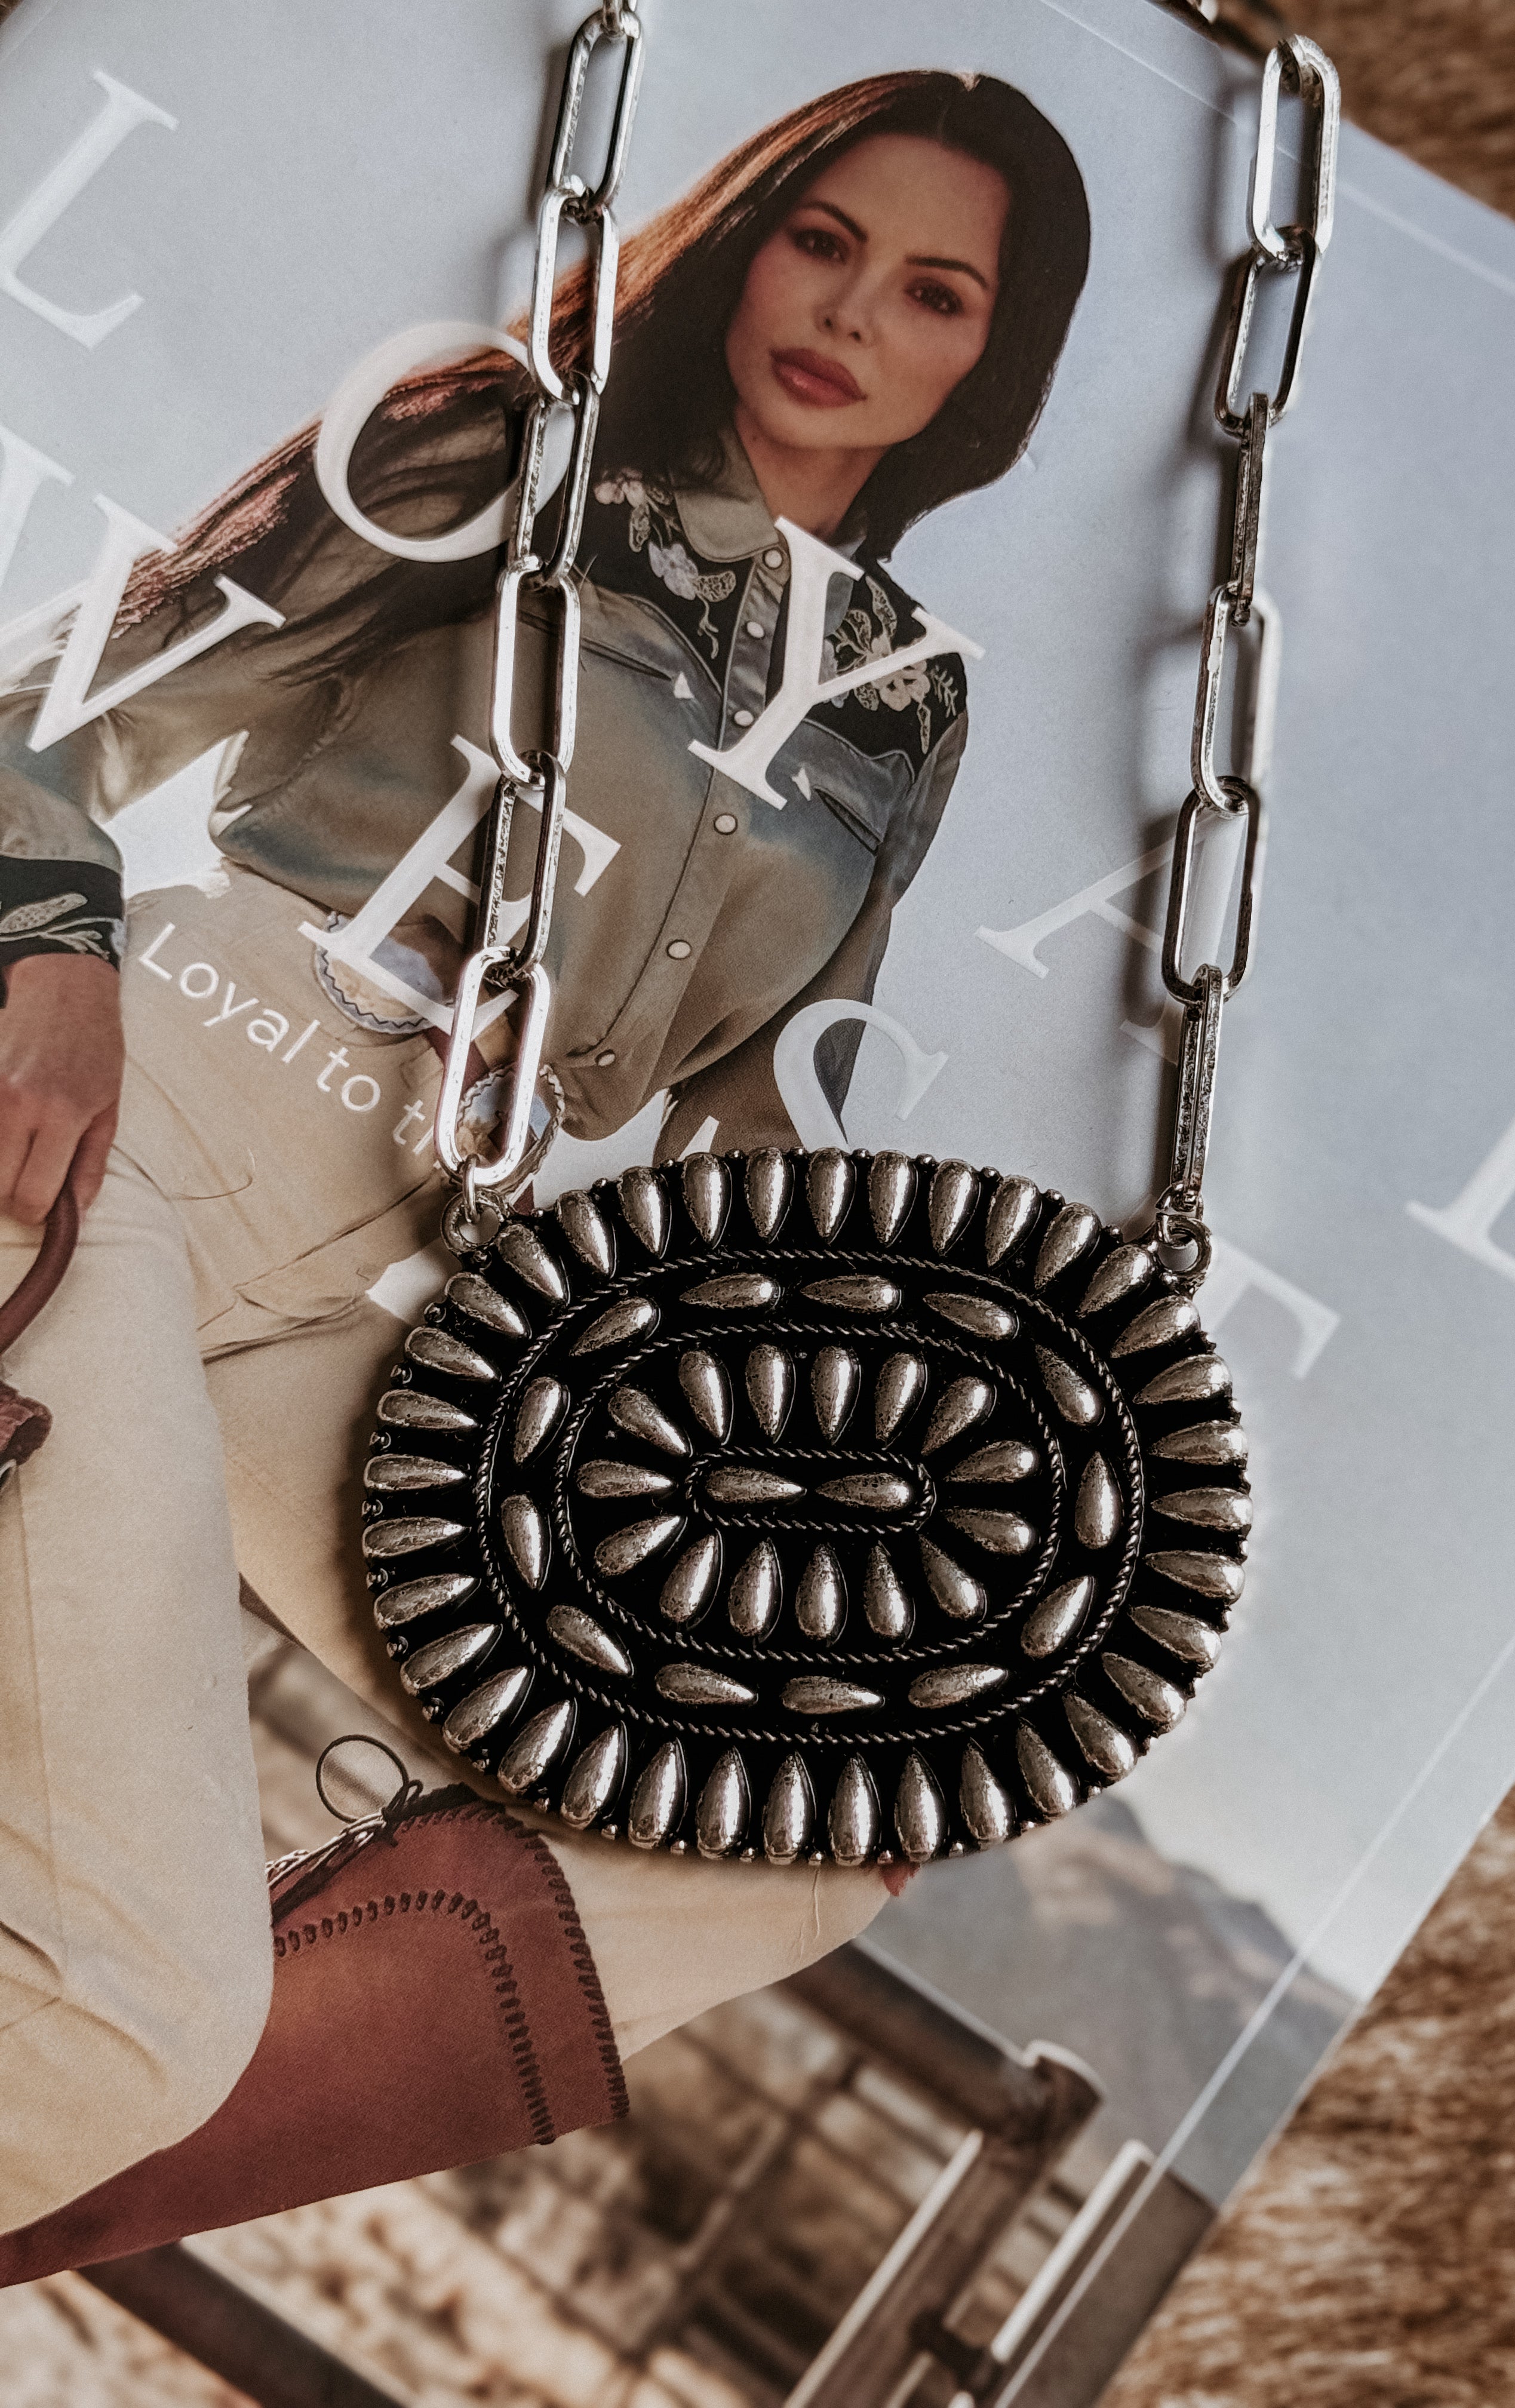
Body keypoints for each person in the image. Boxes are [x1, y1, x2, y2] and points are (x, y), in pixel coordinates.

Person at [0, 66, 1090, 2262]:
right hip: (149, 1114)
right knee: (147, 2005)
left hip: (420, 1268)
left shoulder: (903, 702)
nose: (854, 315)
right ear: (742, 231)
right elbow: (61, 707)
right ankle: (110, 2039)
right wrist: (55, 953)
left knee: (787, 1821)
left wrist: (854, 1592)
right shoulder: (505, 438)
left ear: (990, 361)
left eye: (936, 292)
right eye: (823, 240)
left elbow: (762, 1116)